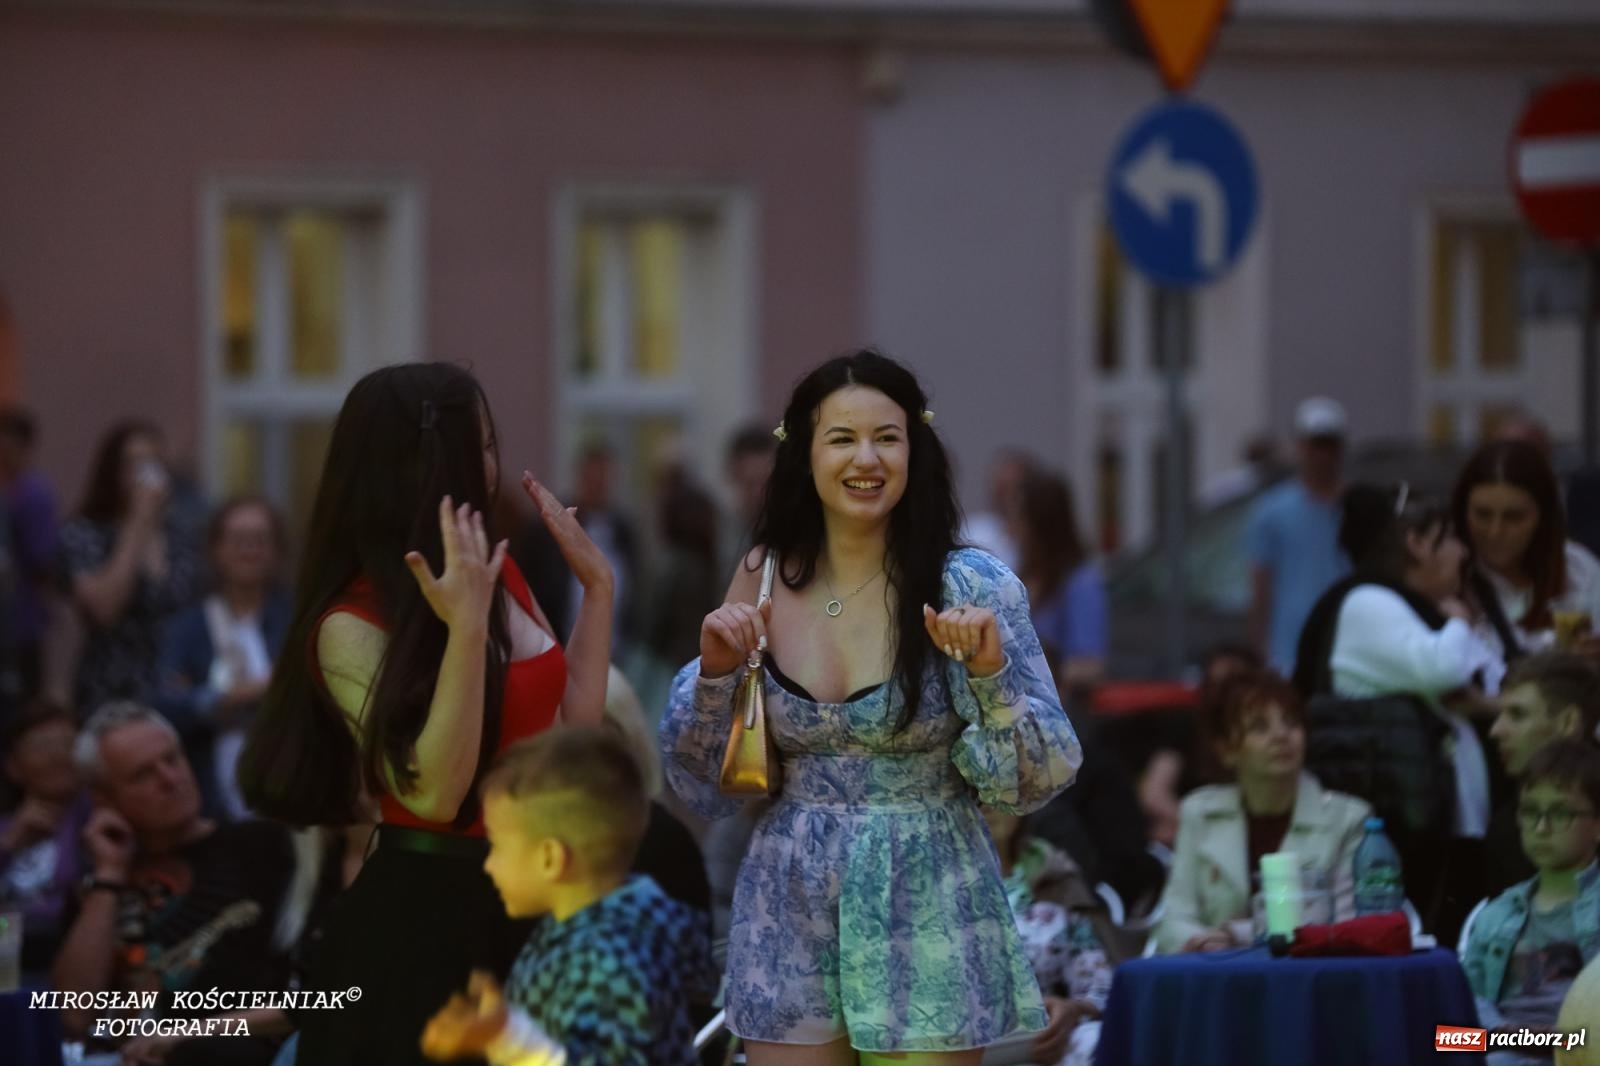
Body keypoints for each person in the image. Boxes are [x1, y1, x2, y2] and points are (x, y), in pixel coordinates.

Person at [660, 349, 1081, 1064]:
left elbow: (1039, 775)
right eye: (843, 438)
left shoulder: (969, 582)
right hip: (789, 895)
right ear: (805, 453)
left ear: (915, 449)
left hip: (928, 892)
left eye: (888, 437)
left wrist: (989, 673)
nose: (868, 458)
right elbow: (700, 777)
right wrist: (715, 671)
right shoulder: (764, 574)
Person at [236, 362, 614, 1066]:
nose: (493, 464)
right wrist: (466, 633)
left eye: (492, 443)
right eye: (480, 444)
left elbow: (573, 743)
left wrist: (598, 592)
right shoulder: (348, 622)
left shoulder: (500, 572)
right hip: (428, 919)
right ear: (424, 462)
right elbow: (436, 794)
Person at [420, 727, 716, 1066]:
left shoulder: (610, 960)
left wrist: (504, 1035)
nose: (488, 865)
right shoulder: (586, 933)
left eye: (497, 846)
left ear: (550, 858)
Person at [1294, 483, 1500, 941]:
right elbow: (1443, 669)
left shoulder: (1405, 607)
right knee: (1425, 951)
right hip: (1395, 833)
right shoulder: (1369, 601)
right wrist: (1461, 620)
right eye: (1451, 538)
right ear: (1416, 543)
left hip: (1431, 824)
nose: (1464, 552)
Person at [50, 704, 295, 1065]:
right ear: (103, 798)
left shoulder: (267, 846)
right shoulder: (98, 888)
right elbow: (72, 1015)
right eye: (142, 774)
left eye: (172, 758)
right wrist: (110, 875)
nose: (170, 778)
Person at [1153, 670, 1370, 954]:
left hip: (1307, 977)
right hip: (1217, 976)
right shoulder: (1200, 812)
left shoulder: (1348, 817)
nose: (1281, 736)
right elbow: (1174, 917)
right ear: (1227, 750)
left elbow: (1344, 923)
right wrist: (1201, 941)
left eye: (1291, 723)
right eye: (1259, 727)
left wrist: (1236, 935)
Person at [154, 497, 290, 821]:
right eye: (238, 539)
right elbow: (166, 707)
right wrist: (249, 693)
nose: (249, 549)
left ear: (276, 551)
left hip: (288, 792)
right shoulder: (187, 628)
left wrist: (210, 699)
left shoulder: (296, 619)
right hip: (212, 796)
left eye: (259, 539)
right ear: (215, 548)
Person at [1462, 740, 1600, 1055]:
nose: (1541, 827)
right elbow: (1455, 1032)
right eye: (1530, 812)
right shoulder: (1495, 915)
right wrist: (1513, 1038)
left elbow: (1587, 1039)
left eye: (1561, 813)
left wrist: (1558, 1041)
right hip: (1503, 1051)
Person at [59, 422, 203, 710]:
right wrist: (138, 522)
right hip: (112, 688)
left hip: (175, 690)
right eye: (133, 463)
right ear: (112, 472)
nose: (144, 474)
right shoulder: (85, 534)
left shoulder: (184, 536)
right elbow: (104, 609)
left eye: (153, 462)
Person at [982, 805, 1124, 1066]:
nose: (985, 804)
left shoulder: (1053, 879)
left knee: (1100, 1040)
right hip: (945, 1045)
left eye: (996, 790)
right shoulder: (914, 887)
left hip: (1036, 1043)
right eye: (967, 793)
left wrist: (1071, 1010)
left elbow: (1104, 988)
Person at [1454, 439, 1600, 663]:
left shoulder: (1579, 570)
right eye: (1483, 515)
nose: (1496, 531)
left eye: (1514, 517)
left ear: (1543, 517)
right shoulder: (1445, 575)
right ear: (1463, 513)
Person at [1247, 397, 1349, 673]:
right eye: (1315, 444)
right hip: (1289, 650)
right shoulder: (1271, 511)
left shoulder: (1356, 509)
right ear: (1300, 446)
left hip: (1347, 647)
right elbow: (1260, 587)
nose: (1322, 455)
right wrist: (1260, 652)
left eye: (1329, 445)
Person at [1485, 652, 1600, 896]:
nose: (1496, 730)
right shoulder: (1506, 823)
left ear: (1568, 722)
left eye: (1517, 715)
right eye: (1499, 715)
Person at [0, 701, 87, 980]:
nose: (58, 757)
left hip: (66, 966)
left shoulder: (98, 821)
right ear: (13, 767)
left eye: (69, 745)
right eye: (43, 746)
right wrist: (8, 843)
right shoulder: (5, 828)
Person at [1012, 468, 1108, 693]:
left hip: (1057, 711)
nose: (1013, 527)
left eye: (1020, 517)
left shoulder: (1080, 583)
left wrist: (1038, 668)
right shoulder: (1022, 574)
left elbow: (1090, 664)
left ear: (1041, 523)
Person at [0, 406, 59, 700]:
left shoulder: (32, 494)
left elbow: (43, 559)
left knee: (21, 697)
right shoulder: (10, 490)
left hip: (21, 618)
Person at [721, 423, 777, 578]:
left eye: (766, 482)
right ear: (733, 475)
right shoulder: (719, 533)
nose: (759, 492)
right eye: (750, 483)